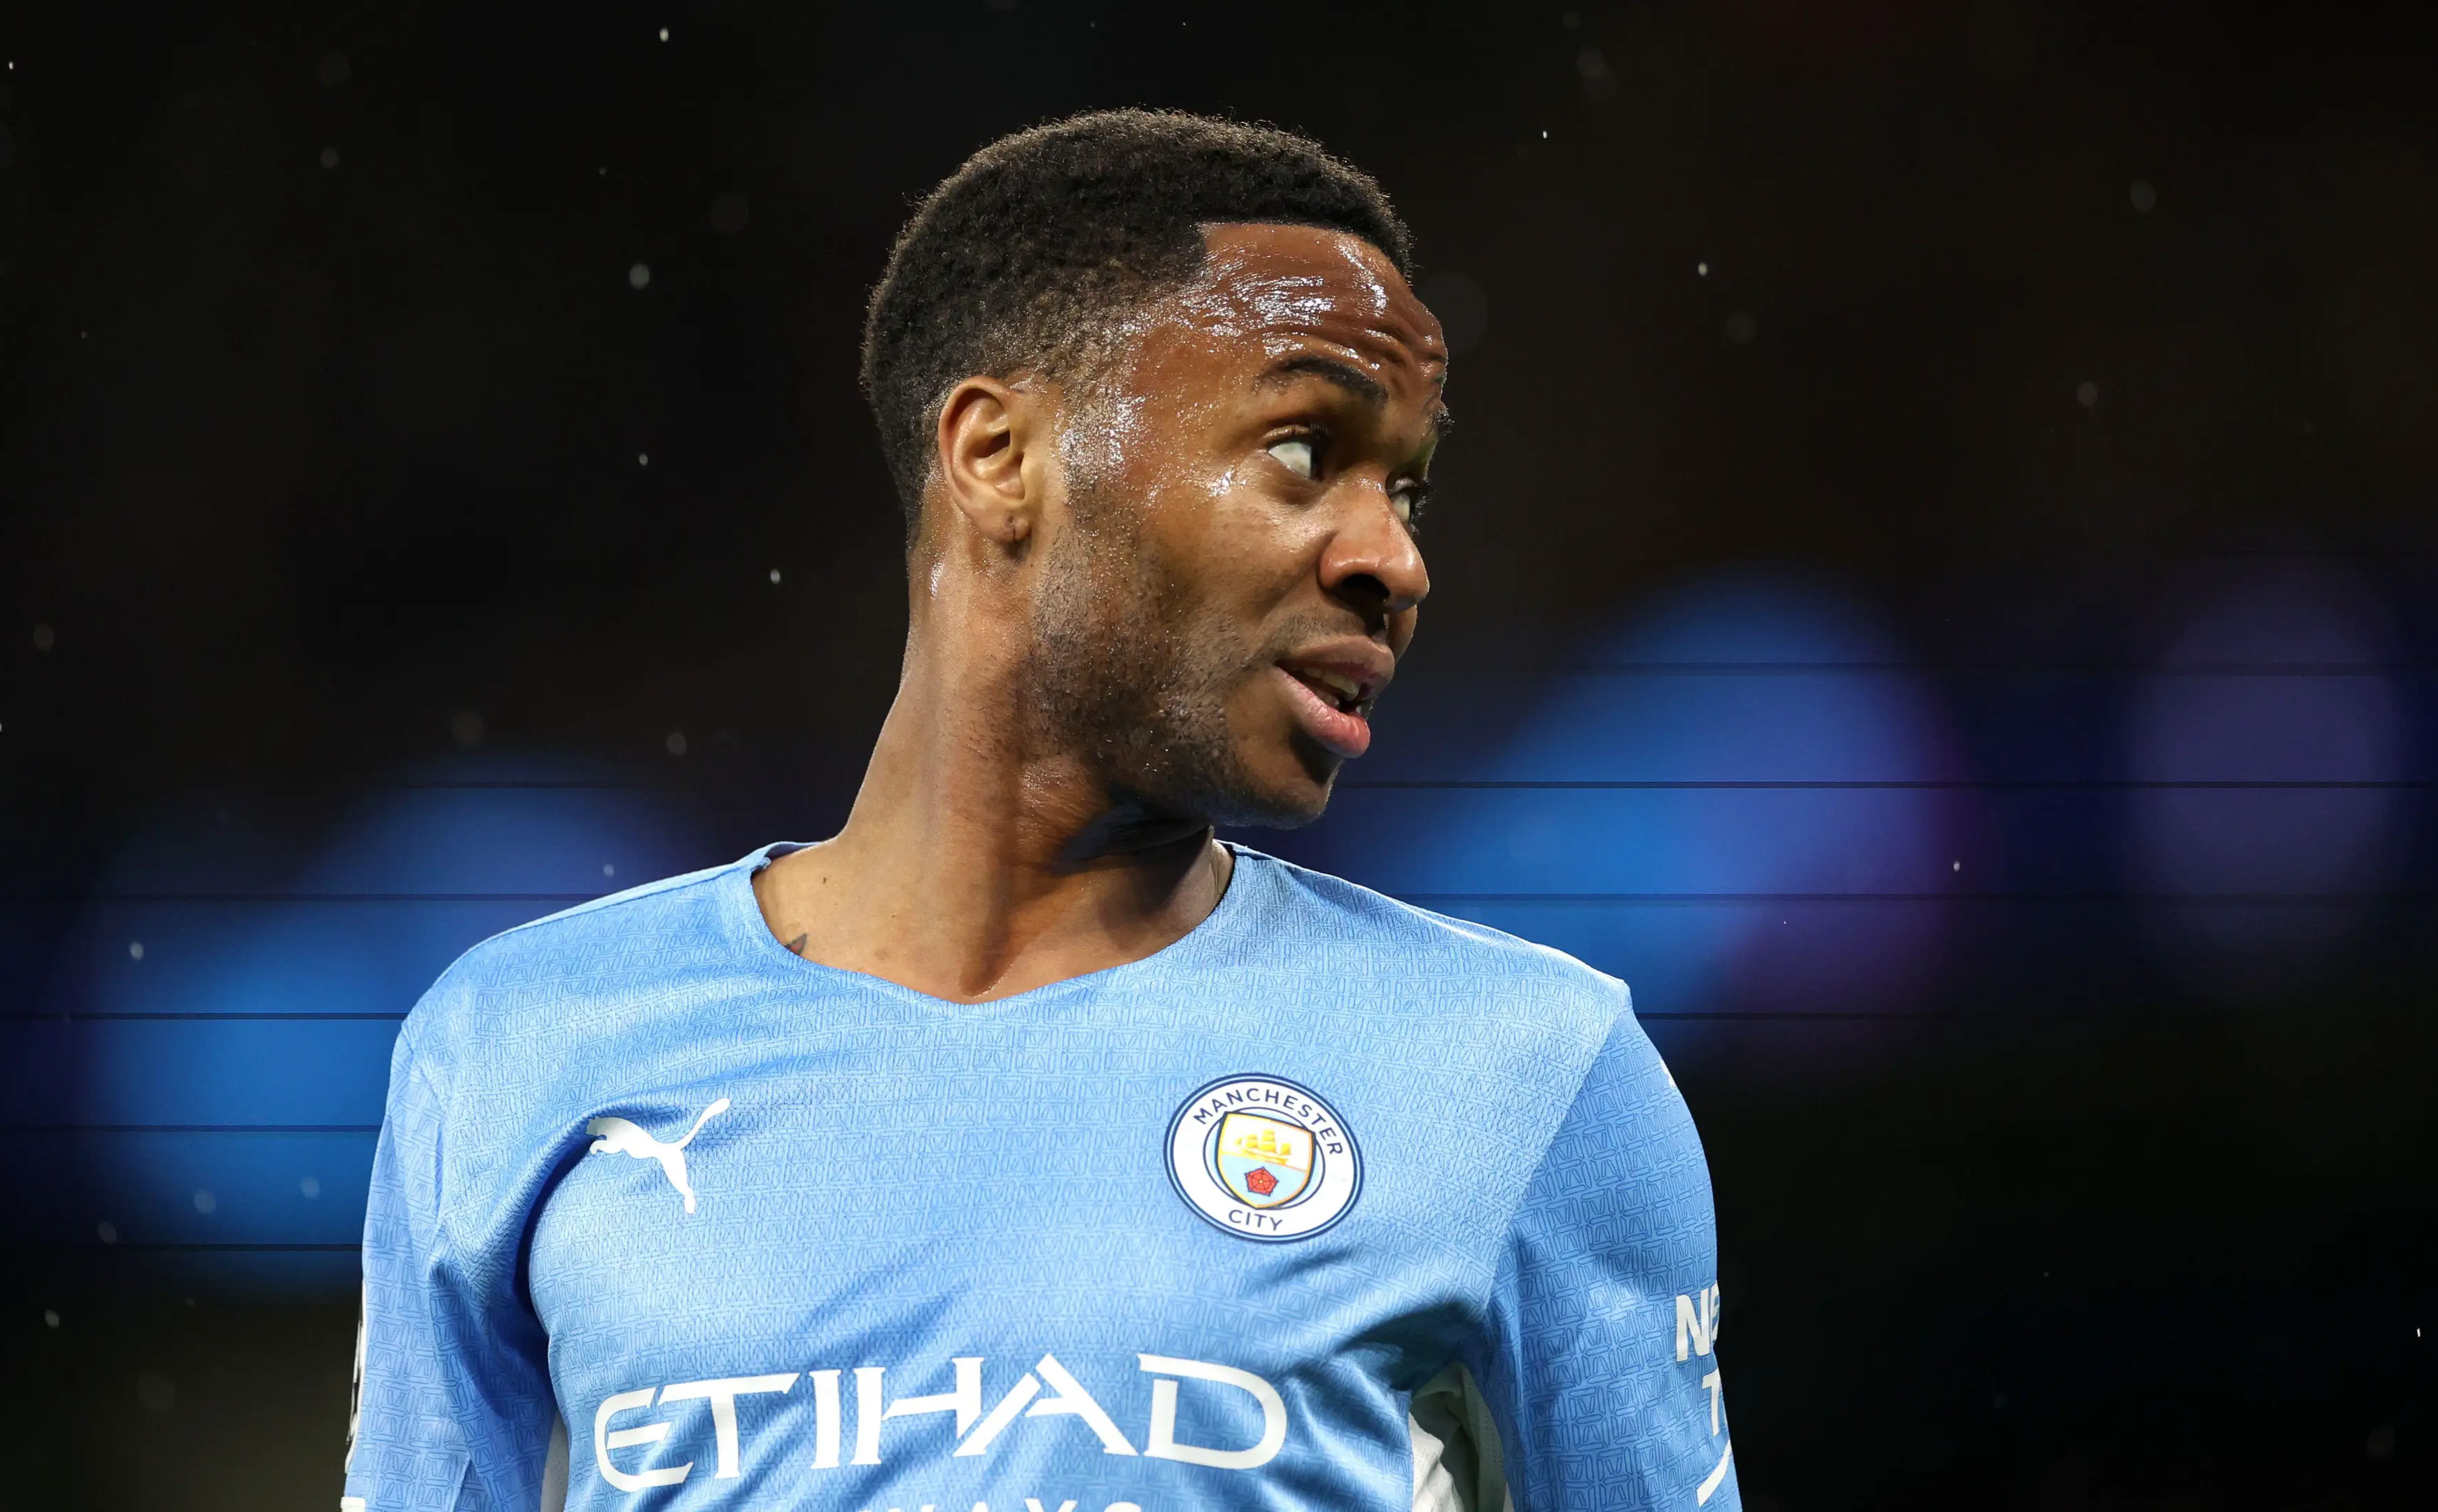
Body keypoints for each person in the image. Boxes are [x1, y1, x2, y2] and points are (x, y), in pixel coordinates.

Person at [342, 109, 1737, 1512]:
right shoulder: (523, 1045)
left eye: (1409, 487)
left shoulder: (1529, 1072)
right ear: (999, 458)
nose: (1393, 558)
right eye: (1307, 451)